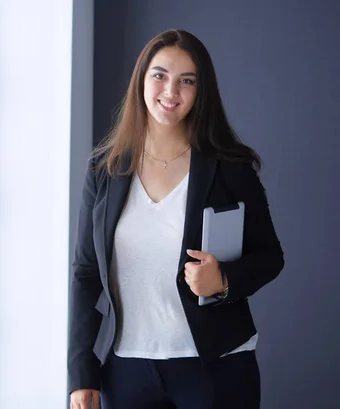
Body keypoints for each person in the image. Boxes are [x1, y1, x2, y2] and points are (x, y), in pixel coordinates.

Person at [67, 29, 284, 409]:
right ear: (142, 80)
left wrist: (224, 280)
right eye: (160, 75)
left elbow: (270, 257)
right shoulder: (105, 170)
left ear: (201, 91)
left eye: (187, 81)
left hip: (218, 366)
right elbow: (85, 274)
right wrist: (81, 373)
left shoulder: (230, 167)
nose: (171, 91)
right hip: (127, 367)